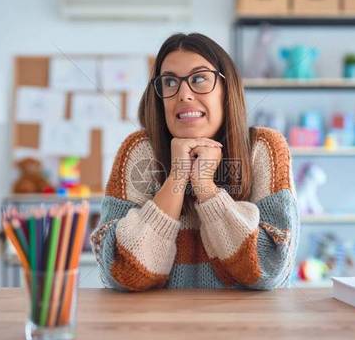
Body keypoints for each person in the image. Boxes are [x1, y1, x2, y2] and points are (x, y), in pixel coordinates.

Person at [90, 33, 299, 291]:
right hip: (157, 326)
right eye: (169, 82)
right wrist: (177, 175)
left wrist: (206, 188)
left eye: (199, 78)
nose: (184, 94)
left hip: (247, 327)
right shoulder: (140, 150)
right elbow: (122, 272)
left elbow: (269, 269)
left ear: (226, 88)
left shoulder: (263, 148)